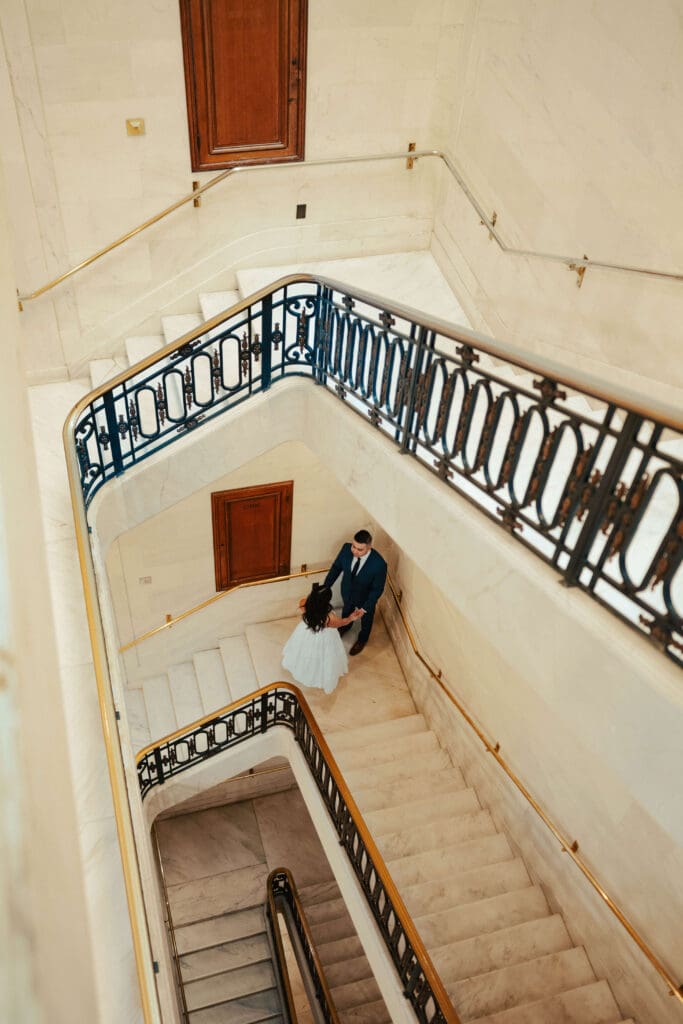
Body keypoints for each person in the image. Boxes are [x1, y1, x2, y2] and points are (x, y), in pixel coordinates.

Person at [282, 583, 363, 694]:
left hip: (307, 632)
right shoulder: (330, 618)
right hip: (325, 639)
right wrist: (351, 617)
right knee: (324, 658)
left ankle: (305, 671)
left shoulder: (304, 603)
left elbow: (305, 609)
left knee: (305, 653)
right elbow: (342, 623)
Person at [323, 529, 387, 656]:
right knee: (347, 610)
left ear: (369, 547)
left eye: (360, 549)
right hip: (347, 592)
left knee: (366, 620)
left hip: (365, 598)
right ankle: (346, 626)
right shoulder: (346, 549)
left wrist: (364, 609)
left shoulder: (379, 564)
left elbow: (377, 589)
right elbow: (336, 568)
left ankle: (362, 639)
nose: (355, 551)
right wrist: (326, 587)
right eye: (354, 546)